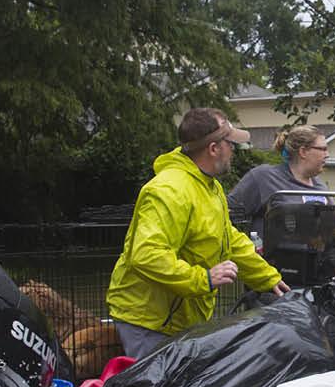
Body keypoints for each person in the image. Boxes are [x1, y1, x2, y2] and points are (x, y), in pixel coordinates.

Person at [107, 108, 290, 357]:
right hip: (150, 322)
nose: (234, 150)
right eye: (230, 143)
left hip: (181, 318)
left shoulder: (209, 187)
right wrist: (203, 279)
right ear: (214, 148)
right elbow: (147, 254)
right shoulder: (169, 190)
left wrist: (268, 278)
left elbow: (230, 240)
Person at [225, 125, 330, 231]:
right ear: (303, 151)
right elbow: (226, 214)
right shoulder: (264, 177)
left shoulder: (321, 186)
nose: (327, 155)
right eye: (323, 149)